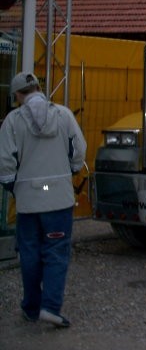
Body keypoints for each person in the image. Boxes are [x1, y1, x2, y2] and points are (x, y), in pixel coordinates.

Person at [0, 72, 87, 327]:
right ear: (38, 87)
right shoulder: (63, 115)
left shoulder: (12, 121)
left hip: (29, 199)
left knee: (29, 252)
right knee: (56, 253)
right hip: (57, 197)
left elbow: (5, 161)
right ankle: (50, 307)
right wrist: (70, 170)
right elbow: (79, 148)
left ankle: (31, 306)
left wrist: (13, 186)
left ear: (18, 95)